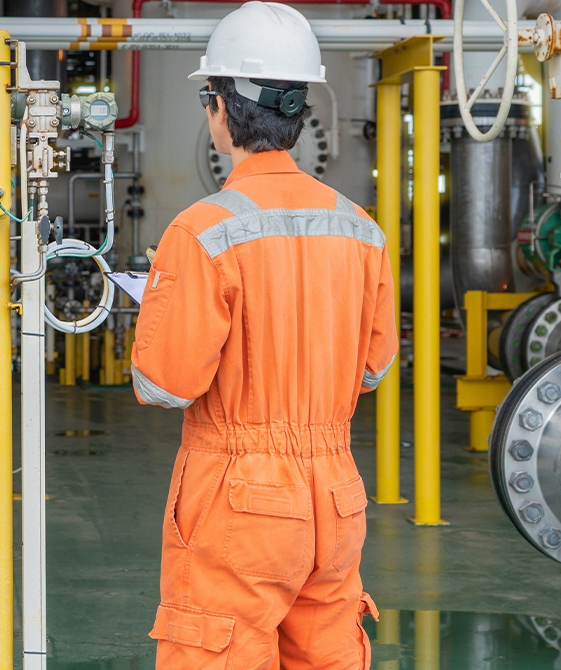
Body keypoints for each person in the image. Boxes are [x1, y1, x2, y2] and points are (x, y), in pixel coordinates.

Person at [130, 3, 399, 668]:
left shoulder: (203, 229)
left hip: (238, 500)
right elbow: (373, 367)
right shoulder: (361, 229)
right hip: (334, 496)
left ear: (222, 107)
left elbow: (165, 383)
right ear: (298, 109)